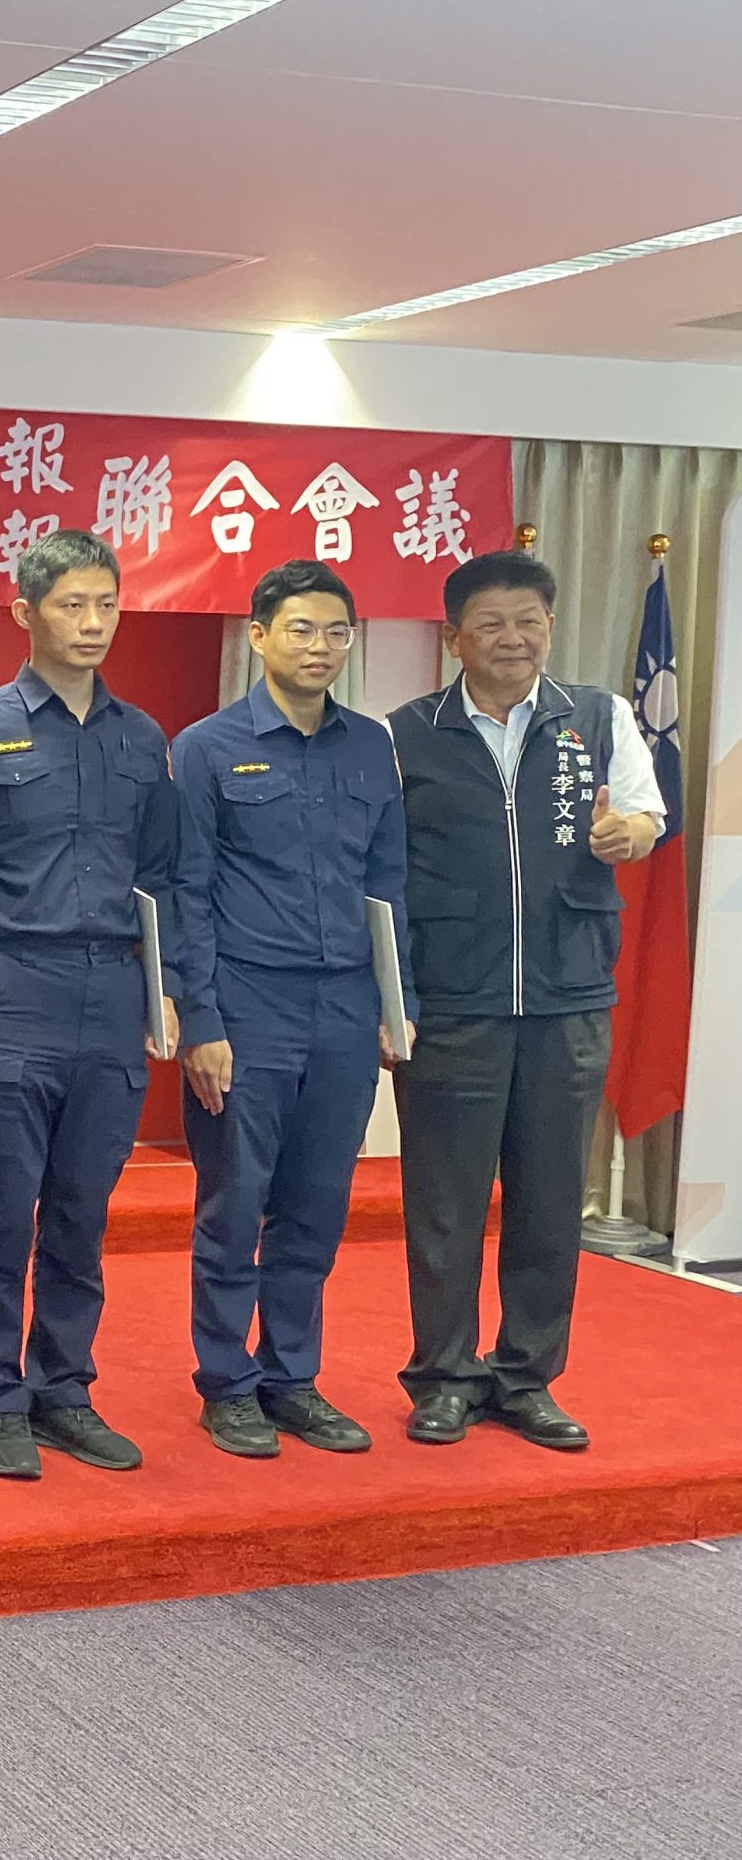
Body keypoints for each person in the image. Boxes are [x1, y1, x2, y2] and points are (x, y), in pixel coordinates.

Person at [390, 550, 663, 1451]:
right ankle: (443, 1377)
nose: (514, 639)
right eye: (493, 624)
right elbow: (381, 867)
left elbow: (644, 814)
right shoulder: (405, 733)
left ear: (550, 626)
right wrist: (395, 1000)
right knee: (445, 1205)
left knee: (549, 1202)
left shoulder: (597, 715)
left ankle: (526, 1377)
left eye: (529, 622)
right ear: (454, 636)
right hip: (452, 1003)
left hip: (567, 999)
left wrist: (630, 831)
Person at [0, 529, 183, 1481]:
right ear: (24, 613)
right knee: (2, 1211)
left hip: (112, 996)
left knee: (82, 1213)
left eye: (106, 605)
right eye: (72, 605)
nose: (92, 623)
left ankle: (64, 1391)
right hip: (11, 996)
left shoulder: (141, 738)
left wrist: (167, 994)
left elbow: (165, 878)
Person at [171, 559, 414, 1460]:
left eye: (337, 633)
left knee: (316, 1205)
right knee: (236, 1205)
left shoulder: (369, 746)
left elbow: (388, 880)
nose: (321, 648)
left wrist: (397, 999)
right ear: (260, 635)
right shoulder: (207, 747)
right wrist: (200, 1020)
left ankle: (292, 1378)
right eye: (302, 630)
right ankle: (226, 1384)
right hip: (249, 1004)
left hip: (346, 1006)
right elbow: (187, 890)